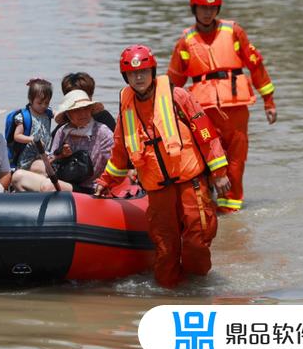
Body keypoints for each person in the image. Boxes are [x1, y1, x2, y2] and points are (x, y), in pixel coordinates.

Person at [95, 45, 231, 288]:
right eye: (133, 74)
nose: (138, 78)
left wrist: (219, 173)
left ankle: (198, 290)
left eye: (144, 72)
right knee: (165, 249)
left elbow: (206, 132)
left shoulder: (178, 96)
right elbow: (119, 151)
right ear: (126, 77)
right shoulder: (126, 108)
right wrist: (105, 182)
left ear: (152, 71)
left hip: (191, 182)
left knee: (197, 241)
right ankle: (169, 297)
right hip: (158, 191)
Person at [168, 0, 277, 213]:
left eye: (212, 8)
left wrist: (269, 101)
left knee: (236, 164)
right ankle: (206, 209)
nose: (208, 12)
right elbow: (174, 81)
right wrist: (165, 112)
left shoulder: (234, 31)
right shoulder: (186, 40)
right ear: (194, 9)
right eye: (202, 8)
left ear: (218, 9)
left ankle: (231, 216)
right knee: (205, 161)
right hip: (203, 115)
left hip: (235, 111)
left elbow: (255, 65)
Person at [11, 89, 113, 193]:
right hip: (64, 179)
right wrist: (61, 155)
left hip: (90, 187)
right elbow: (50, 162)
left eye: (86, 109)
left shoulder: (102, 131)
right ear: (68, 114)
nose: (83, 113)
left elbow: (116, 161)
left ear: (91, 110)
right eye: (77, 110)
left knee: (48, 186)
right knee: (18, 176)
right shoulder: (63, 131)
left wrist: (105, 184)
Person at [8, 78, 53, 173]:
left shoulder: (48, 113)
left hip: (43, 154)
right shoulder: (24, 117)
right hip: (27, 158)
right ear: (30, 99)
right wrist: (32, 139)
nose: (43, 106)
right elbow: (17, 136)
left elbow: (59, 116)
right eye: (39, 103)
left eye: (46, 103)